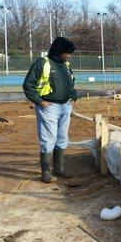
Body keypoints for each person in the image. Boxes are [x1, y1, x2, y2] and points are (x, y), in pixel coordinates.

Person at [23, 37, 77, 183]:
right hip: (49, 107)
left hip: (65, 106)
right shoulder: (43, 63)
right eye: (66, 52)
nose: (68, 55)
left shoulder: (66, 64)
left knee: (62, 137)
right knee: (48, 139)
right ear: (59, 52)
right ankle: (46, 173)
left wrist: (73, 97)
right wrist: (40, 102)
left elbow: (71, 82)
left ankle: (58, 169)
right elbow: (28, 85)